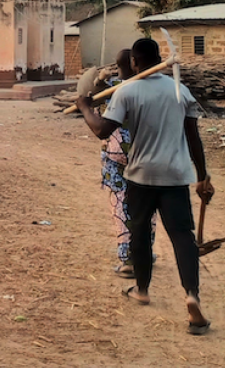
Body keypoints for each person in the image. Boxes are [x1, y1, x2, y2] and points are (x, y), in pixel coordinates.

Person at [76, 37, 215, 335]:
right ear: (159, 57)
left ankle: (142, 289)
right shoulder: (181, 91)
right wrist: (203, 176)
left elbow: (102, 130)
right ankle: (192, 296)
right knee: (183, 237)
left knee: (139, 233)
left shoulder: (127, 92)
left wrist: (85, 108)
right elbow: (194, 139)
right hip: (176, 176)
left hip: (140, 175)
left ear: (135, 62)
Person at [99, 49, 154, 279]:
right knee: (147, 207)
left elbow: (98, 123)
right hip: (147, 154)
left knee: (121, 205)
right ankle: (144, 254)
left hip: (115, 156)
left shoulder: (107, 90)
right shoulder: (149, 89)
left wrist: (96, 88)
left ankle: (128, 259)